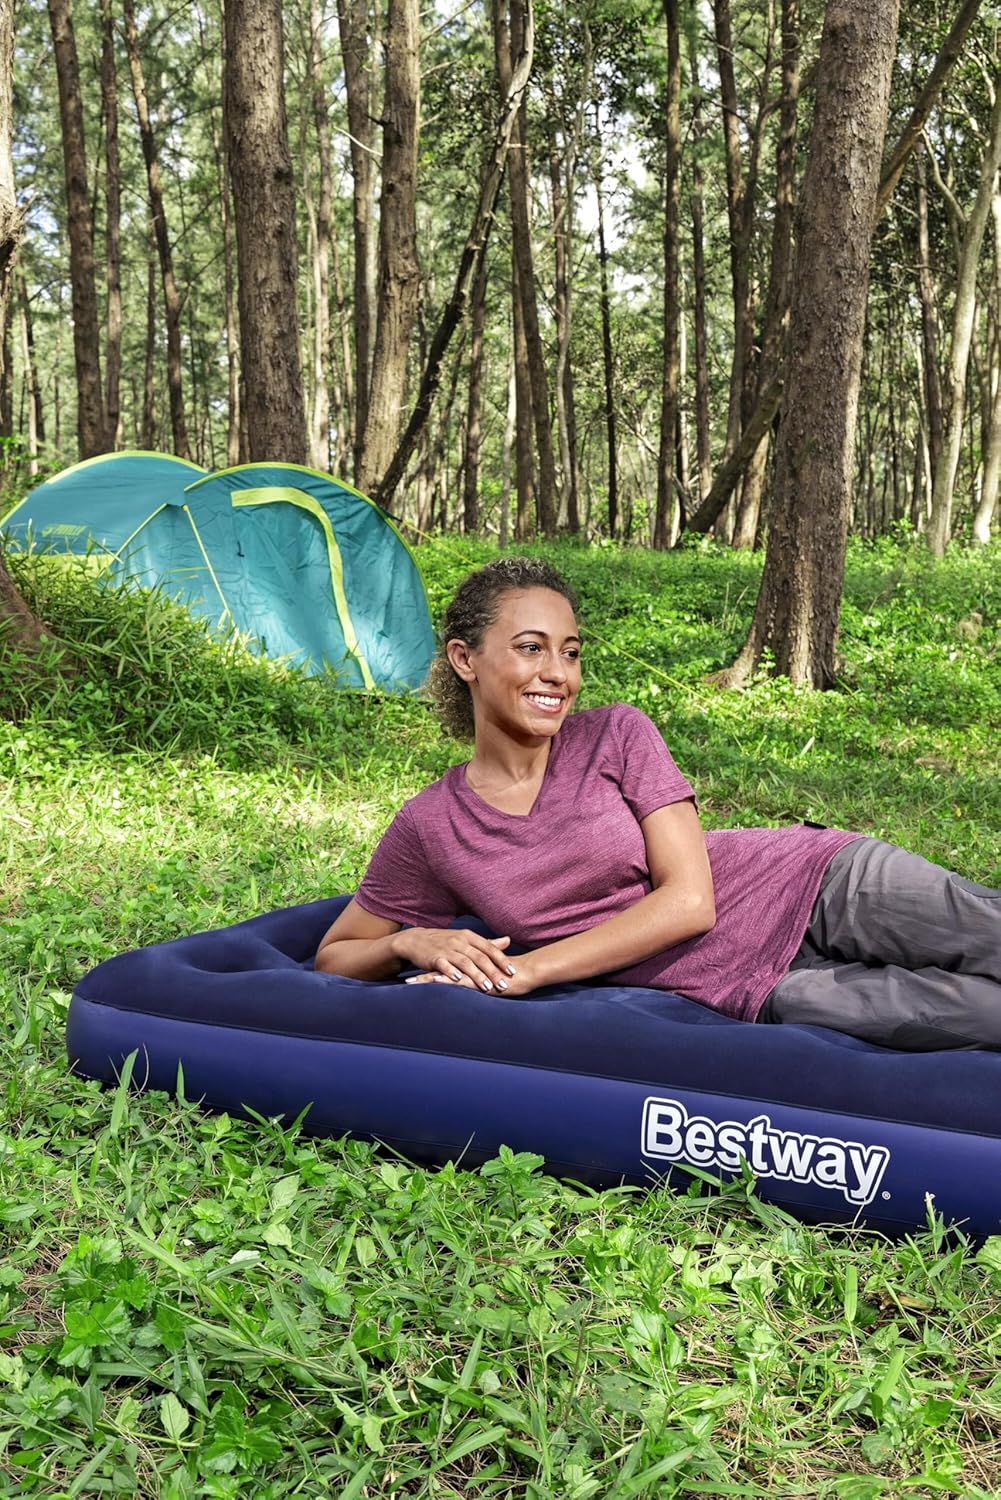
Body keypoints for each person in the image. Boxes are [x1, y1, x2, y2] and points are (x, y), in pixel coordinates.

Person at [316, 558, 1001, 1050]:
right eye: (530, 649)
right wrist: (410, 939)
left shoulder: (616, 732)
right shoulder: (432, 825)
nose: (558, 673)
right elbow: (336, 955)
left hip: (815, 881)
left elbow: (689, 902)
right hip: (752, 982)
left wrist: (526, 971)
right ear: (465, 660)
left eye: (570, 652)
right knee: (976, 1017)